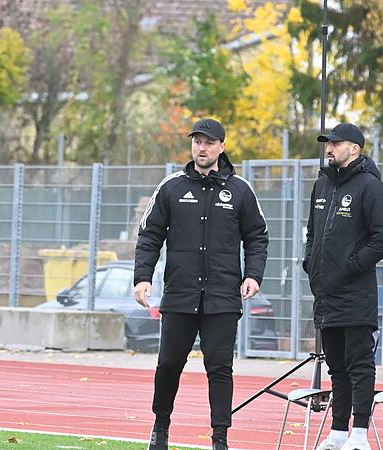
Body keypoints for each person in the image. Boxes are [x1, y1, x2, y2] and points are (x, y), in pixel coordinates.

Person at [134, 118, 269, 450]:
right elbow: (149, 236)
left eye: (209, 142)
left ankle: (220, 437)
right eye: (197, 141)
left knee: (220, 368)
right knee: (168, 364)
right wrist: (142, 277)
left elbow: (257, 237)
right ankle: (160, 427)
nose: (202, 148)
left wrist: (253, 274)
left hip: (222, 298)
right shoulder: (171, 187)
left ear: (222, 146)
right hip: (180, 295)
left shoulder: (239, 190)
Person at [304, 123, 383, 450]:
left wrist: (351, 265)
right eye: (327, 142)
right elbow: (312, 233)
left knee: (359, 367)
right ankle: (338, 432)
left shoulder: (370, 187)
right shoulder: (322, 184)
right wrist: (310, 264)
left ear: (354, 149)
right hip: (326, 296)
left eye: (335, 143)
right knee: (336, 368)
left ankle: (359, 434)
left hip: (356, 296)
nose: (329, 148)